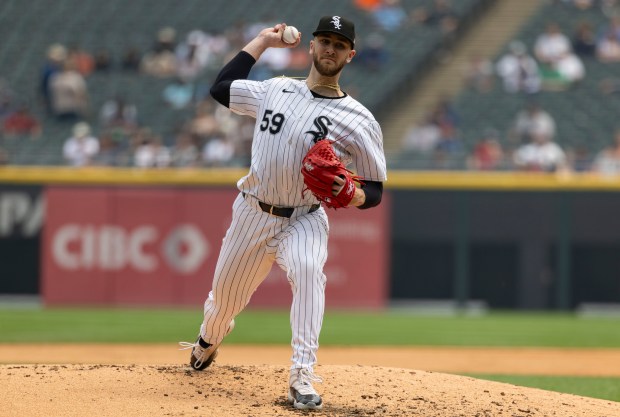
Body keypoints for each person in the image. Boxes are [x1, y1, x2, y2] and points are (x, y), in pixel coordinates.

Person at [179, 16, 387, 410]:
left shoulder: (360, 120)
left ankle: (302, 376)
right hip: (252, 214)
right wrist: (260, 41)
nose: (330, 48)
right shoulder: (275, 89)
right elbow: (220, 88)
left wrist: (354, 194)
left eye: (339, 44)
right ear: (310, 46)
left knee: (309, 270)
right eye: (324, 40)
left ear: (351, 55)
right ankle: (208, 340)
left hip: (306, 216)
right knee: (224, 301)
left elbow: (375, 190)